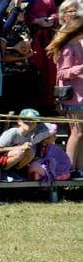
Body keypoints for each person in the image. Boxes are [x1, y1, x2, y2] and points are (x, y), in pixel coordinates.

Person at [48, 13, 83, 176]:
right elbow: (62, 73)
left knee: (81, 134)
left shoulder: (78, 46)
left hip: (81, 94)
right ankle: (67, 168)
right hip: (73, 97)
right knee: (76, 133)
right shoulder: (68, 48)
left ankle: (79, 168)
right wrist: (80, 68)